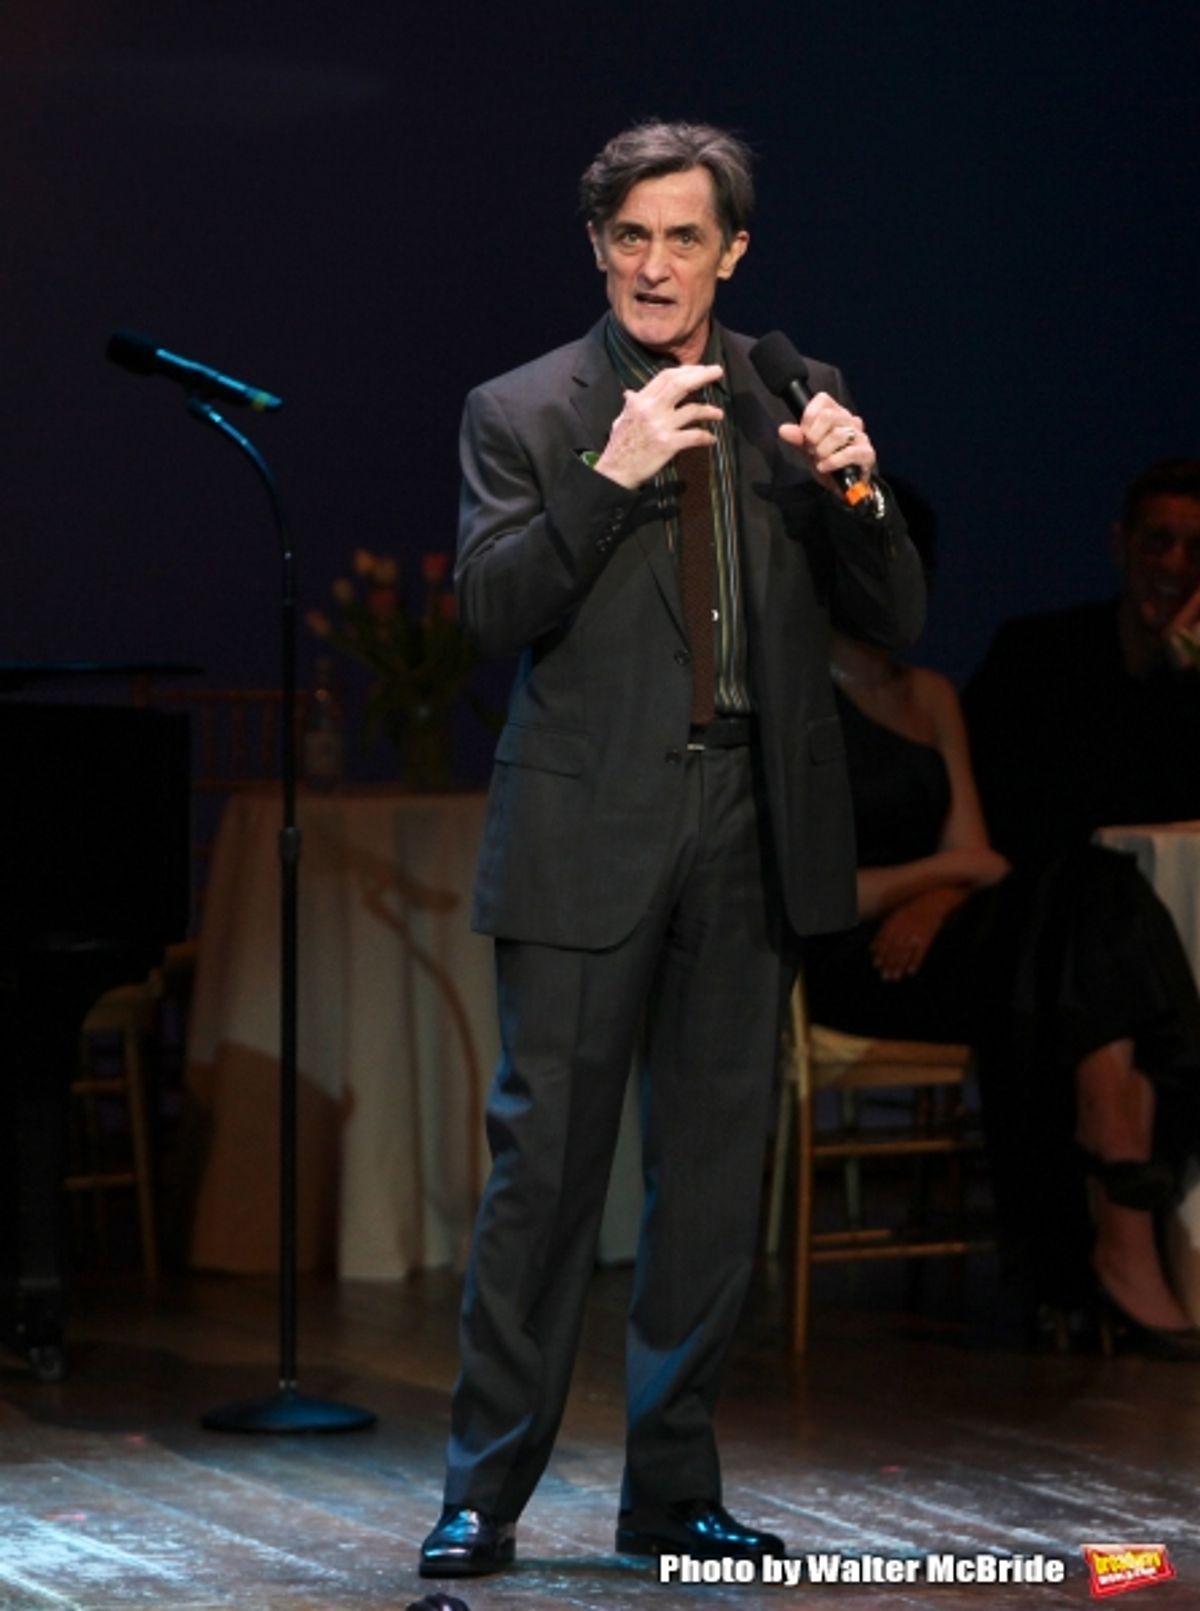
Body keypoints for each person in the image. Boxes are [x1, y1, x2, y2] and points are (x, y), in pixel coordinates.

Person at [419, 121, 925, 1579]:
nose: (654, 263)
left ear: (733, 251)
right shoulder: (524, 407)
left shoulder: (796, 390)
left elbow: (893, 612)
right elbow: (489, 614)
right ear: (597, 245)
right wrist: (612, 470)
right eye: (629, 235)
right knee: (548, 1173)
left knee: (709, 1181)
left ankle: (671, 1494)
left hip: (746, 822)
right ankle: (482, 1492)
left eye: (683, 237)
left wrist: (857, 487)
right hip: (588, 827)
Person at [803, 492, 1200, 1355]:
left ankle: (1110, 1153)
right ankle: (1120, 1184)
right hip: (859, 955)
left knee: (1090, 891)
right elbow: (817, 894)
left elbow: (981, 856)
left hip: (944, 940)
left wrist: (945, 888)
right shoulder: (793, 703)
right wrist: (942, 880)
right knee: (1078, 917)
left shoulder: (933, 695)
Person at [964, 458, 1200, 864]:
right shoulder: (1035, 656)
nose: (1175, 565)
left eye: (1197, 550)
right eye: (1158, 542)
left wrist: (1187, 667)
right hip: (1039, 902)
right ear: (1120, 546)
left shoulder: (1190, 678)